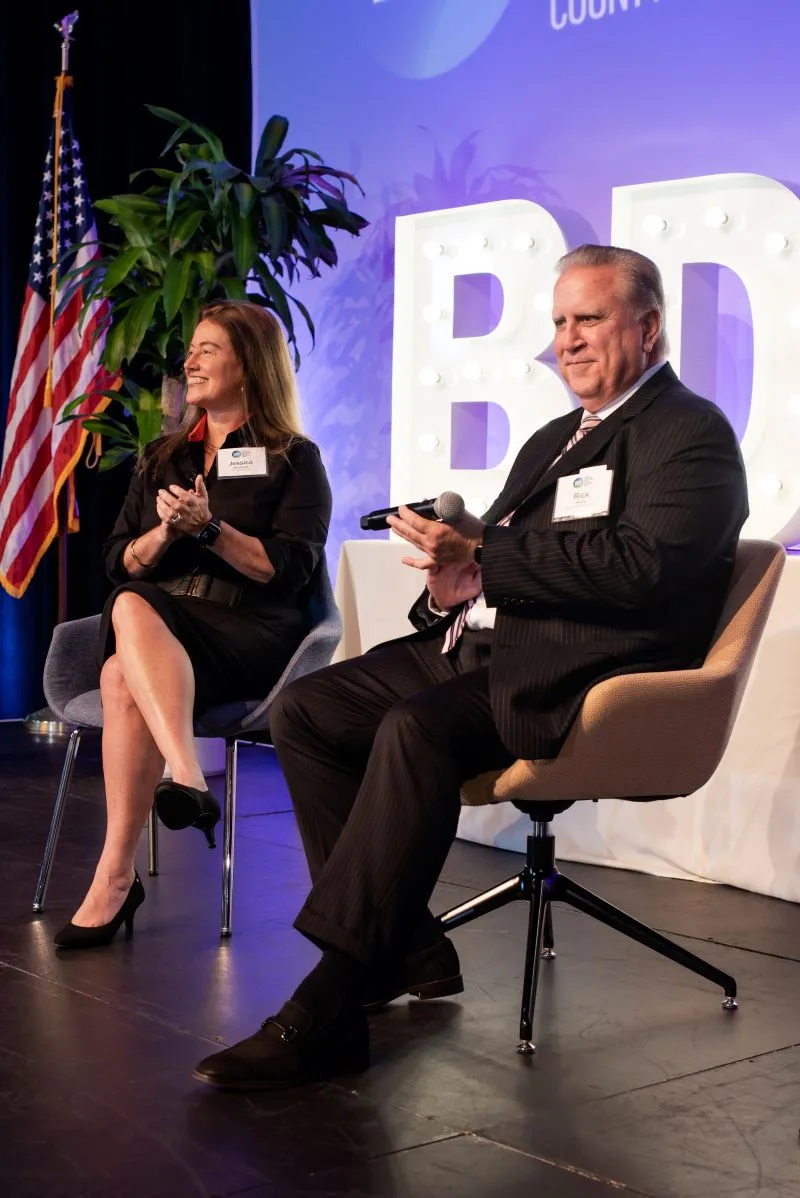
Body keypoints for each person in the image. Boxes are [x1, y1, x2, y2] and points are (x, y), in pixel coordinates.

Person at [193, 246, 748, 1090]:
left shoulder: (689, 432)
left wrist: (488, 553)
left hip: (584, 669)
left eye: (589, 319)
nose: (568, 340)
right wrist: (458, 584)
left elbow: (644, 571)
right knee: (308, 709)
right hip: (487, 644)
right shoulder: (555, 438)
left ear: (649, 327)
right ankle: (404, 945)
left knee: (415, 730)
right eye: (559, 321)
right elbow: (504, 558)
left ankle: (332, 1000)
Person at [54, 300, 332, 949]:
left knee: (127, 631)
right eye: (192, 350)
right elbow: (116, 560)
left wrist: (209, 530)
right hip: (163, 627)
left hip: (248, 633)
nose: (190, 362)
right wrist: (164, 533)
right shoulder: (164, 457)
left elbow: (290, 570)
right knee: (124, 647)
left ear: (249, 364)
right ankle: (132, 852)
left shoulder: (292, 458)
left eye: (208, 349)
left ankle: (166, 804)